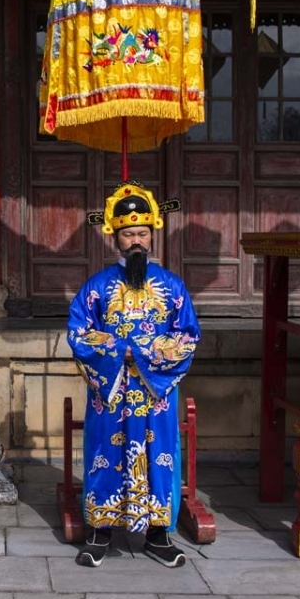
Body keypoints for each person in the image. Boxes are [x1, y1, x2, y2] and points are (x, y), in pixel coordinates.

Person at [66, 182, 200, 569]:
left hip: (154, 392)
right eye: (128, 234)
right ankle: (99, 533)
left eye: (142, 233)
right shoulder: (97, 287)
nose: (136, 240)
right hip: (111, 390)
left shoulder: (173, 287)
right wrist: (117, 351)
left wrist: (143, 353)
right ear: (115, 238)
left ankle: (158, 535)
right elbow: (78, 332)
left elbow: (188, 336)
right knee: (103, 456)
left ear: (152, 235)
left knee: (160, 458)